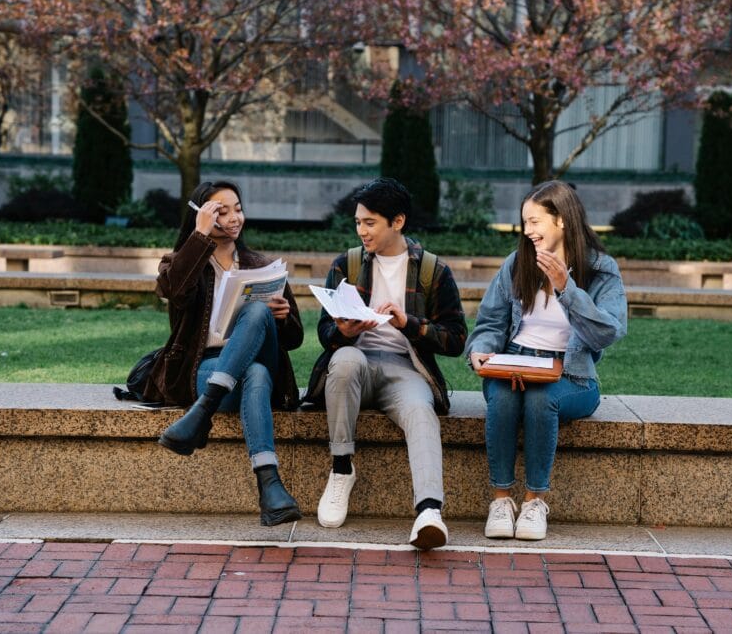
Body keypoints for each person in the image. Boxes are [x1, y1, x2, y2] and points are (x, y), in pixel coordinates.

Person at [304, 178, 467, 550]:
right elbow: (324, 333)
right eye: (358, 222)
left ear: (397, 222)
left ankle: (429, 511)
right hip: (355, 362)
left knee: (420, 411)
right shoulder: (346, 263)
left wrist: (408, 323)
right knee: (343, 360)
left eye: (370, 222)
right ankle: (342, 469)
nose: (362, 230)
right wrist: (344, 330)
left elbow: (456, 339)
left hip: (404, 367)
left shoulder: (432, 270)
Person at [466, 180, 627, 541]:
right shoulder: (518, 262)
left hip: (571, 375)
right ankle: (501, 500)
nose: (528, 231)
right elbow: (490, 322)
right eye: (525, 222)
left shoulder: (600, 270)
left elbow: (609, 332)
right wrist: (482, 349)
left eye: (535, 221)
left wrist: (567, 289)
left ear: (562, 220)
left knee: (541, 399)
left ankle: (535, 501)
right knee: (505, 398)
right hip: (514, 363)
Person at [145, 180, 303, 527]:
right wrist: (199, 238)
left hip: (255, 358)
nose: (235, 218)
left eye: (238, 208)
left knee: (259, 314)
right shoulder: (180, 264)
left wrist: (284, 317)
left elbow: (294, 340)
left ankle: (202, 415)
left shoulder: (261, 265)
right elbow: (175, 294)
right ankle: (270, 485)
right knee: (256, 375)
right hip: (204, 367)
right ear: (202, 215)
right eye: (222, 210)